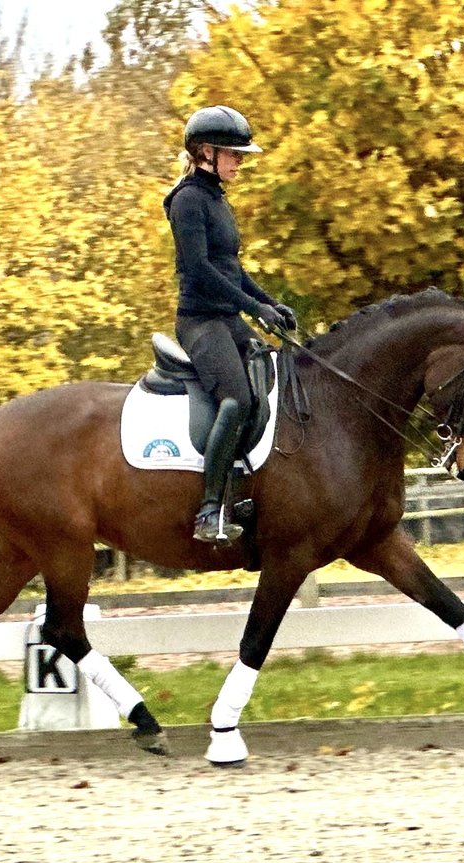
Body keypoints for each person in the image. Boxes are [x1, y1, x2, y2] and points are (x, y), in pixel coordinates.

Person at [163, 105, 297, 544]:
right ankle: (208, 511)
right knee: (236, 399)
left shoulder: (218, 198)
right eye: (234, 154)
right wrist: (253, 309)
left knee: (273, 379)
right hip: (200, 321)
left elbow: (232, 269)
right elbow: (200, 270)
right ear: (205, 152)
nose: (240, 161)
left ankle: (249, 489)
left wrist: (269, 303)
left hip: (227, 317)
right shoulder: (187, 201)